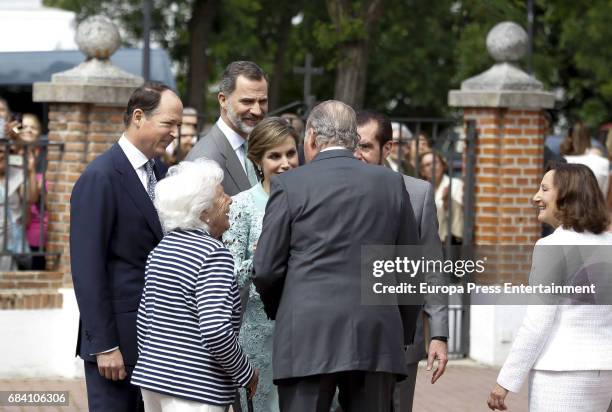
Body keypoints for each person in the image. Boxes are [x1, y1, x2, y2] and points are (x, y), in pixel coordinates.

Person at [253, 100, 421, 412]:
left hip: (306, 332)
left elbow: (265, 268)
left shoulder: (290, 184)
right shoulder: (390, 183)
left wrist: (286, 308)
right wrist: (401, 330)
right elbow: (410, 268)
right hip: (375, 332)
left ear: (312, 137)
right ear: (354, 139)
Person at [70, 82, 182, 412]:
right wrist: (104, 345)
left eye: (178, 125)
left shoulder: (161, 173)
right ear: (137, 117)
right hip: (116, 346)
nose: (175, 132)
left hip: (158, 344)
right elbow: (87, 268)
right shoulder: (101, 176)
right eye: (169, 123)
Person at [131, 159, 258, 411]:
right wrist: (246, 373)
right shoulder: (213, 253)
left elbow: (145, 322)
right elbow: (215, 330)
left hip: (153, 381)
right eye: (222, 196)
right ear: (204, 212)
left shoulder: (161, 250)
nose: (231, 200)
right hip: (196, 389)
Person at [487, 163, 612, 411]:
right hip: (604, 372)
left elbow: (538, 322)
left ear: (565, 195)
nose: (536, 197)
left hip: (560, 372)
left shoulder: (552, 246)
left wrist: (505, 381)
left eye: (544, 189)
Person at [355, 110, 448, 412]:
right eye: (352, 145)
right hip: (345, 336)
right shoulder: (330, 192)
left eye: (366, 147)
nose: (357, 154)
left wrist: (439, 334)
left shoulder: (418, 194)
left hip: (400, 337)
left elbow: (432, 267)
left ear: (387, 149)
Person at [223, 117, 299, 411]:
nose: (285, 163)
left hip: (303, 331)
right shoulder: (241, 204)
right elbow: (228, 276)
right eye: (274, 156)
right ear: (258, 161)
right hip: (258, 333)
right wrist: (260, 259)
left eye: (290, 153)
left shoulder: (310, 197)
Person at [186, 61, 268, 195]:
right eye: (247, 101)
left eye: (263, 101)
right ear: (223, 100)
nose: (257, 111)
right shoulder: (203, 160)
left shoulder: (258, 146)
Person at [18, 113, 48, 269]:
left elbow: (33, 196)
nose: (28, 130)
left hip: (37, 232)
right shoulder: (9, 153)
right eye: (24, 126)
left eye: (33, 127)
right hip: (15, 230)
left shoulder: (47, 156)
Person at [419, 150, 464, 244]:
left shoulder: (456, 184)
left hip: (450, 239)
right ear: (422, 171)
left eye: (435, 162)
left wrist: (447, 203)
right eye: (427, 165)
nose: (432, 167)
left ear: (443, 165)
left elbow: (459, 215)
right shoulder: (420, 189)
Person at [560, 121, 609, 195]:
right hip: (597, 205)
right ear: (589, 137)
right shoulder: (603, 161)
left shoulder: (564, 161)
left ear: (570, 138)